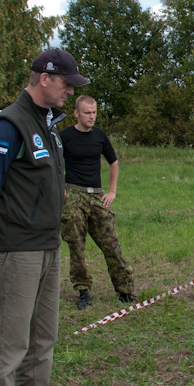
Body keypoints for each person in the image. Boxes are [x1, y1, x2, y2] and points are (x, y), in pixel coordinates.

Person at [0, 48, 87, 386]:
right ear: (44, 79)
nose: (69, 91)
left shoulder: (47, 125)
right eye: (66, 83)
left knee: (43, 334)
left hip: (46, 243)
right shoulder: (10, 124)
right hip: (16, 245)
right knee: (9, 343)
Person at [60, 95, 137, 310]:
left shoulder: (100, 136)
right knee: (77, 246)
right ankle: (83, 291)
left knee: (111, 243)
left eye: (94, 112)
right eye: (87, 112)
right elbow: (52, 163)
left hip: (97, 195)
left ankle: (124, 289)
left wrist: (112, 191)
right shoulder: (64, 136)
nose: (91, 116)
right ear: (76, 113)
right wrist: (61, 190)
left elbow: (113, 162)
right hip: (73, 194)